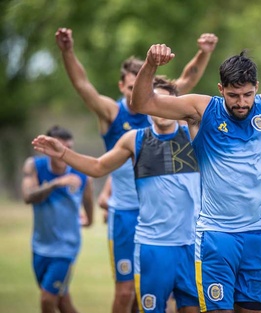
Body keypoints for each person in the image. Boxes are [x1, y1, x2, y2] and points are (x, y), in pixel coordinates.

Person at [130, 43, 261, 313]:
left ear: (257, 88)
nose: (241, 102)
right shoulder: (201, 110)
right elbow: (142, 103)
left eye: (248, 94)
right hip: (217, 236)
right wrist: (150, 64)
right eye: (233, 95)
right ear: (221, 90)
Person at [55, 27, 218, 313]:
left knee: (176, 299)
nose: (137, 95)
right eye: (132, 88)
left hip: (181, 227)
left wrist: (203, 53)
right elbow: (83, 86)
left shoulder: (172, 116)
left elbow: (188, 80)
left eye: (141, 87)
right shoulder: (116, 118)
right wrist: (68, 51)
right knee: (126, 293)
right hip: (131, 215)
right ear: (122, 87)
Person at [32, 78, 201, 313]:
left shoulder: (194, 136)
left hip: (191, 245)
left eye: (167, 102)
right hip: (153, 246)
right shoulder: (135, 140)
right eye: (156, 101)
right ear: (148, 105)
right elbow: (98, 167)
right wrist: (63, 153)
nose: (161, 107)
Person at [22, 125, 94, 313]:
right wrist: (55, 183)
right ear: (47, 149)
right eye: (59, 148)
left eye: (68, 148)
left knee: (47, 299)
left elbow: (88, 201)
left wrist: (89, 220)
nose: (64, 153)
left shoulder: (81, 173)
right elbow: (28, 197)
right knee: (62, 302)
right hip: (40, 245)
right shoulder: (35, 167)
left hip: (66, 248)